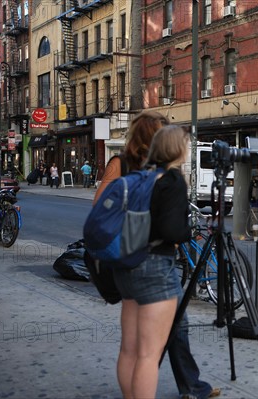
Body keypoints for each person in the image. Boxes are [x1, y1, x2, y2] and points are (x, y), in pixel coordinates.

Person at [94, 111, 219, 399]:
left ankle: (190, 385)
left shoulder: (141, 174)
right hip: (152, 267)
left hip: (127, 264)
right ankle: (189, 386)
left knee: (131, 348)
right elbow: (171, 230)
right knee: (149, 355)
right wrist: (185, 232)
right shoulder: (164, 177)